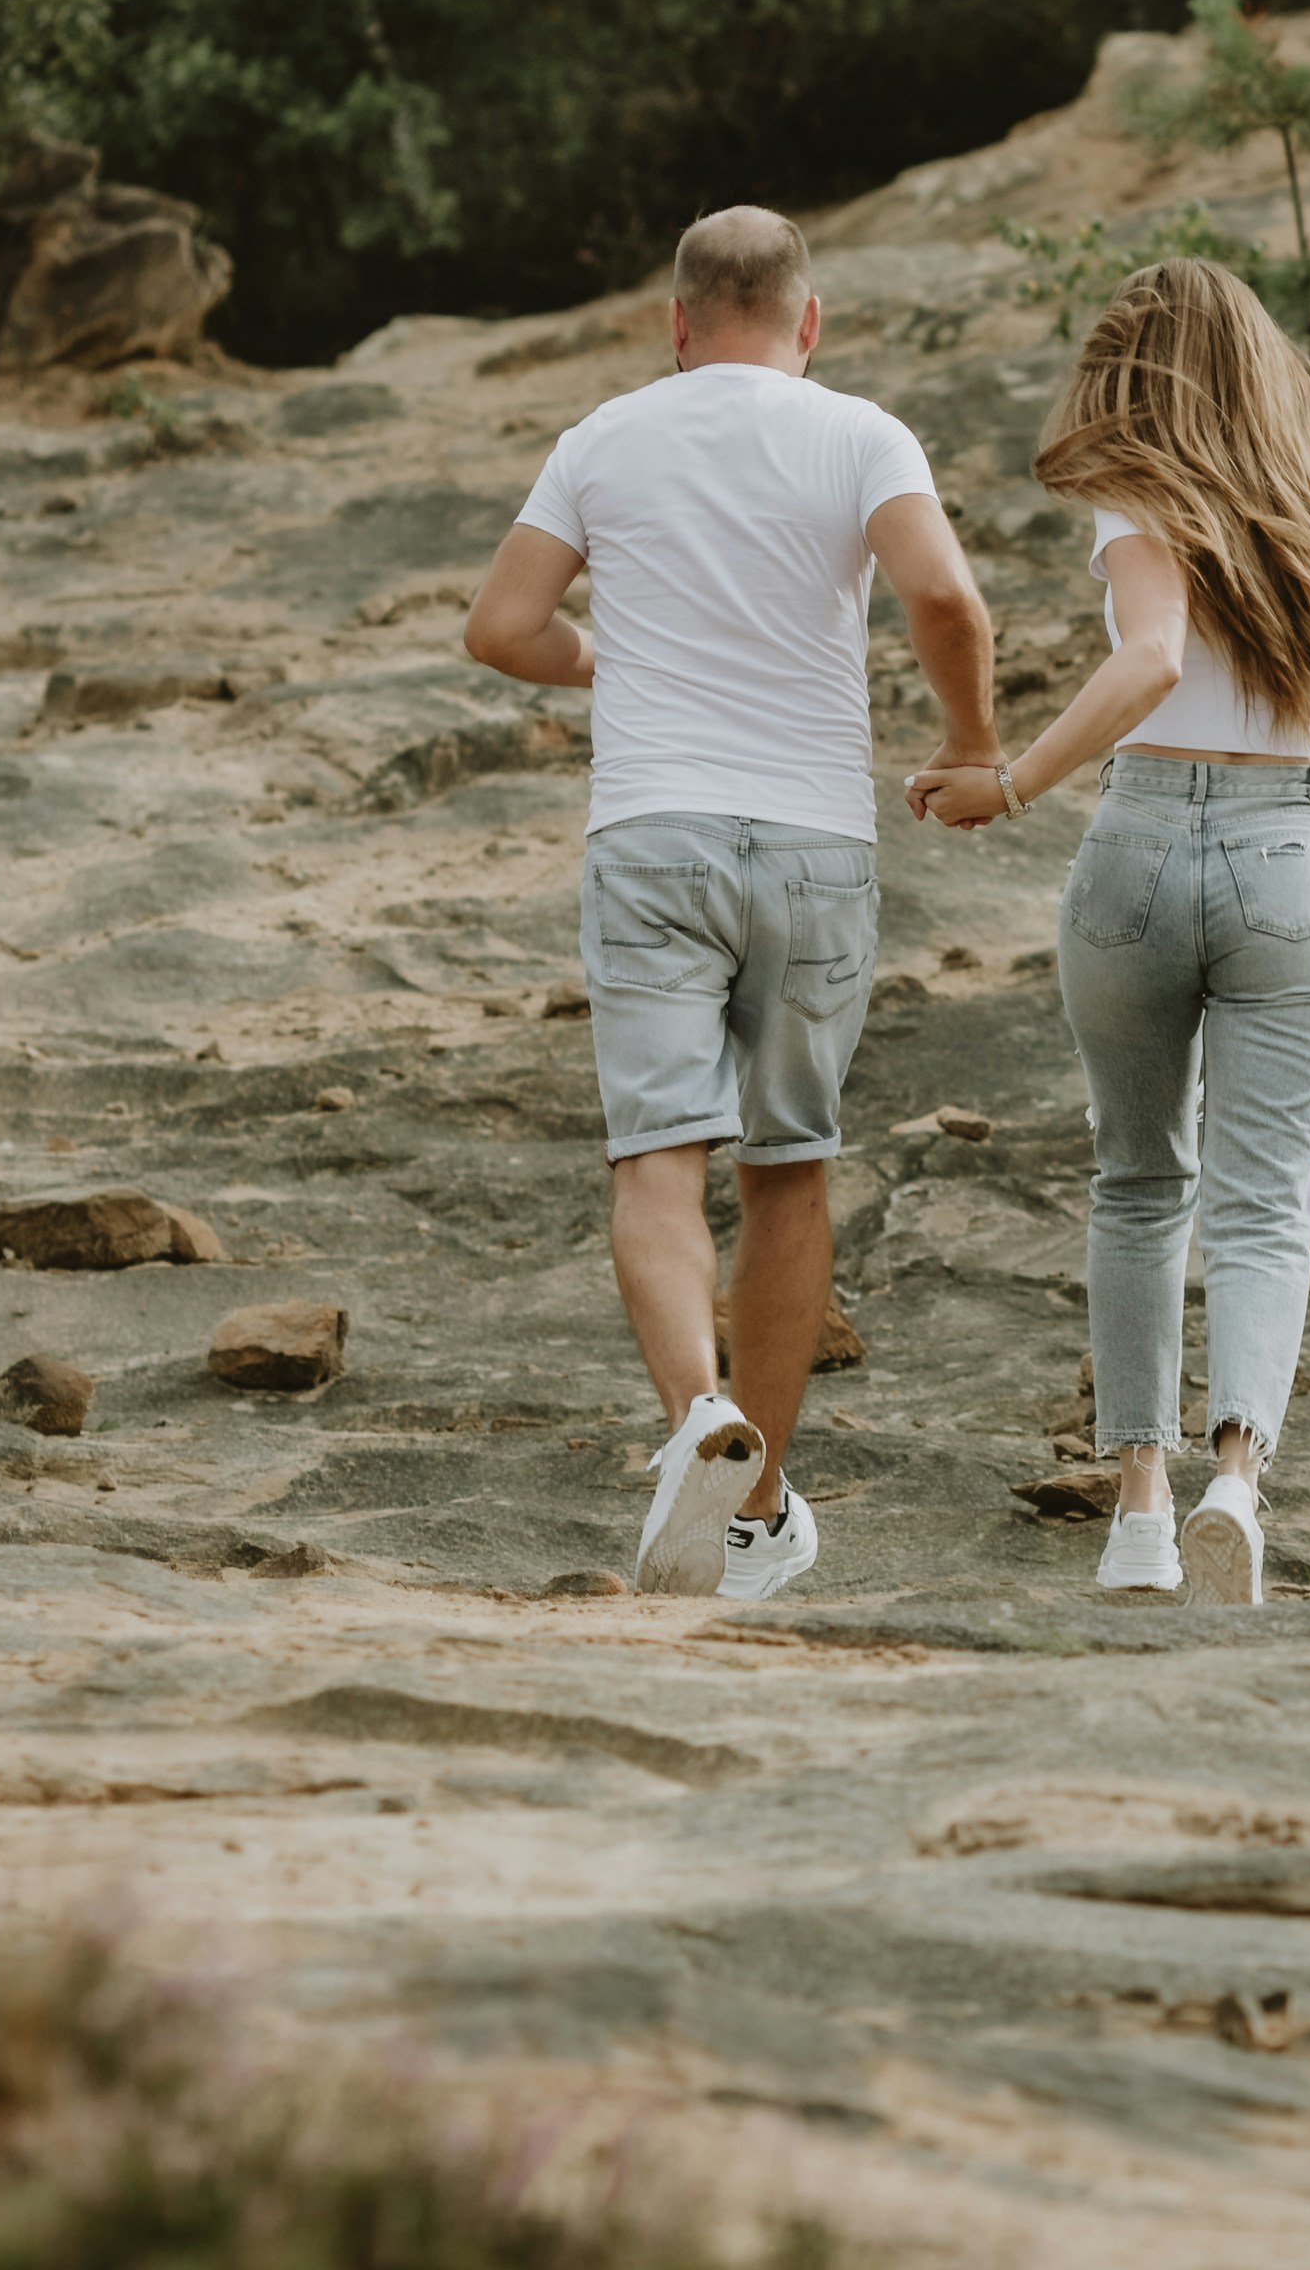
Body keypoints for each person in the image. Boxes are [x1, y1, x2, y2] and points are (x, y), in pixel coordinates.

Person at [466, 206, 997, 1600]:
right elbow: (946, 597)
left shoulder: (606, 437)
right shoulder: (860, 434)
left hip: (655, 833)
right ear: (808, 322)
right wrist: (973, 742)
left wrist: (604, 659)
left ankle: (698, 1413)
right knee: (789, 1169)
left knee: (658, 1159)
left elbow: (500, 625)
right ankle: (756, 1506)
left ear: (678, 322)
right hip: (817, 842)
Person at [912, 257, 1310, 1606]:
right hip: (1291, 844)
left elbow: (1154, 656)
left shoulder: (1138, 496)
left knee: (1137, 1180)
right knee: (1263, 1191)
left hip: (1144, 842)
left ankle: (1140, 1515)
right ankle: (1238, 1480)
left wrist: (1012, 780)